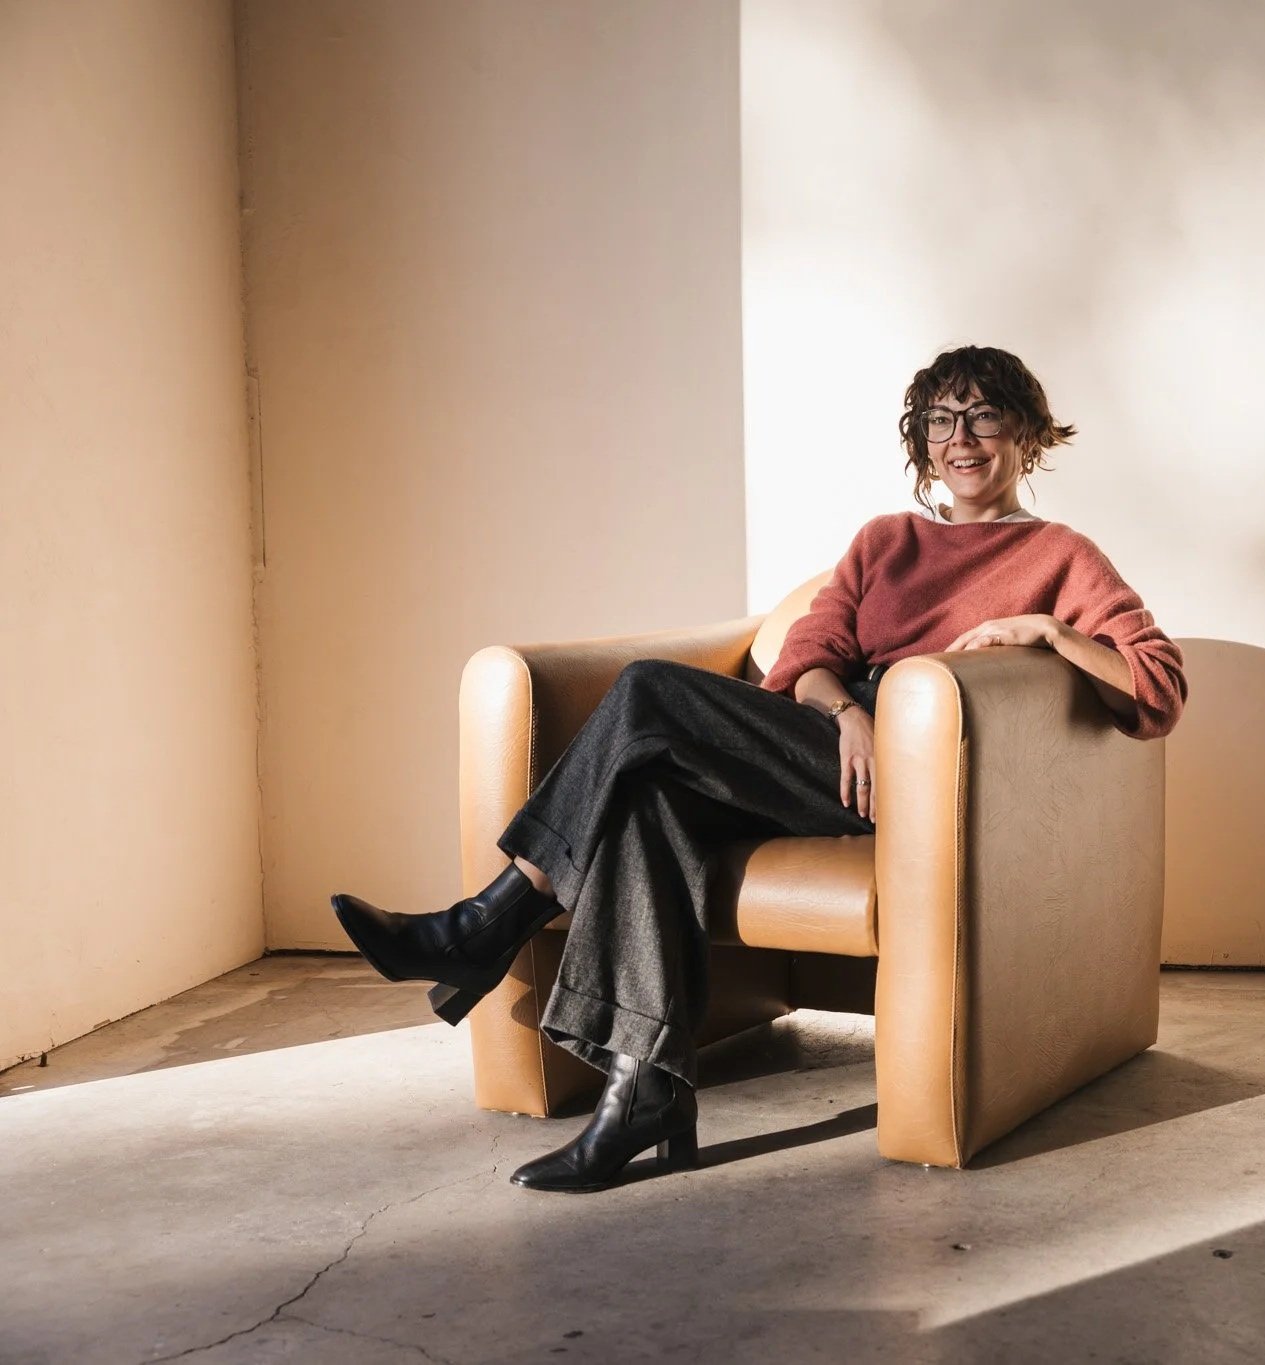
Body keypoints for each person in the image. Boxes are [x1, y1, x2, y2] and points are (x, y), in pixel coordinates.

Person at [330, 345, 1189, 1193]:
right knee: (645, 796)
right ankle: (644, 1091)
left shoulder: (1060, 554)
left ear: (1026, 435)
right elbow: (812, 652)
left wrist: (1048, 634)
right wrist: (847, 713)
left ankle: (487, 922)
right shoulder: (886, 540)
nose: (960, 437)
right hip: (829, 741)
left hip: (917, 775)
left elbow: (1157, 686)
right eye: (940, 418)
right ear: (921, 437)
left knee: (646, 693)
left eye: (984, 416)